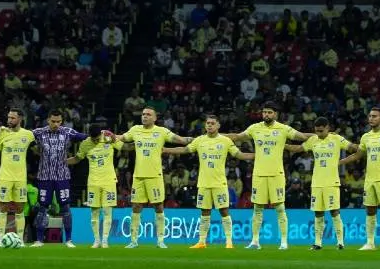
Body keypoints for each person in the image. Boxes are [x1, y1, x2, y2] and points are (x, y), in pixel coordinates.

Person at [225, 101, 312, 250]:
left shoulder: (283, 129)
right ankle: (255, 241)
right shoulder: (255, 128)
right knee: (257, 208)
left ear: (276, 114)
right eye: (264, 112)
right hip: (259, 174)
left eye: (269, 112)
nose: (266, 115)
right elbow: (238, 137)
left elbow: (302, 136)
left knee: (279, 208)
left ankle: (284, 242)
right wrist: (217, 135)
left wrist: (324, 135)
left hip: (276, 175)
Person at [163, 114, 254, 249]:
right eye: (208, 123)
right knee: (205, 212)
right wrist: (165, 149)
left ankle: (229, 242)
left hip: (219, 183)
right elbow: (184, 149)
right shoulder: (200, 140)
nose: (210, 125)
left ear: (218, 125)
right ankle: (201, 242)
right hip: (204, 183)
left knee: (224, 211)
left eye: (212, 123)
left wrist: (257, 155)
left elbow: (239, 155)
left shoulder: (225, 141)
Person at [117, 107, 192, 248]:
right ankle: (133, 241)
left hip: (155, 176)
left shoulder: (161, 131)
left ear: (155, 118)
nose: (144, 116)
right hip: (138, 176)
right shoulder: (135, 130)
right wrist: (110, 136)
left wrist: (198, 139)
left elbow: (180, 140)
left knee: (158, 207)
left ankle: (160, 240)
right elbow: (122, 138)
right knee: (136, 207)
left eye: (148, 114)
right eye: (143, 114)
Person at [284, 117, 358, 250]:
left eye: (321, 131)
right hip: (317, 182)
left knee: (334, 212)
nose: (318, 133)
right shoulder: (313, 140)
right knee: (318, 213)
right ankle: (318, 243)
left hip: (332, 182)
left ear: (328, 128)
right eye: (316, 131)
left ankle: (340, 242)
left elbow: (352, 147)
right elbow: (298, 148)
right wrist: (282, 145)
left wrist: (362, 145)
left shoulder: (336, 139)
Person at [339, 107, 380, 251]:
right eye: (370, 116)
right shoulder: (365, 137)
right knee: (370, 210)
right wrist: (340, 162)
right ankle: (370, 242)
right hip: (369, 178)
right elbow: (357, 155)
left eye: (374, 116)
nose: (371, 119)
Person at [31, 110, 88, 247]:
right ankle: (39, 240)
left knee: (65, 207)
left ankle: (68, 240)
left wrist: (103, 134)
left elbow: (86, 136)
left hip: (62, 177)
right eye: (53, 121)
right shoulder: (39, 132)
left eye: (58, 122)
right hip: (45, 177)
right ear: (48, 120)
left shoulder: (67, 132)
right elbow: (20, 135)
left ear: (61, 121)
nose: (56, 124)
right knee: (43, 207)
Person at [68, 125, 124, 248]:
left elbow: (124, 147)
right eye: (93, 139)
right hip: (93, 182)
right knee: (94, 212)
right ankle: (96, 240)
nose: (96, 141)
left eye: (98, 138)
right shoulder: (85, 144)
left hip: (109, 181)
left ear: (101, 134)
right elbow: (77, 159)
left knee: (107, 211)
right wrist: (63, 161)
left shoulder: (109, 138)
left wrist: (138, 143)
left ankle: (105, 240)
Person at [0, 109, 35, 248]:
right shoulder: (1, 133)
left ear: (20, 118)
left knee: (20, 209)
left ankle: (20, 240)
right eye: (9, 117)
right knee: (2, 208)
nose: (9, 120)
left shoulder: (28, 135)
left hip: (21, 178)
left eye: (13, 118)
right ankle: (1, 240)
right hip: (5, 177)